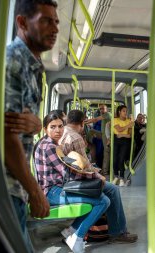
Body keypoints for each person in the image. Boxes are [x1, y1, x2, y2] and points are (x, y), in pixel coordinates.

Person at [35, 111, 137, 253]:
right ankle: (77, 235)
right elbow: (67, 172)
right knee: (103, 201)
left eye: (60, 126)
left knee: (106, 194)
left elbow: (66, 163)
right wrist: (93, 176)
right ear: (45, 129)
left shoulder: (47, 142)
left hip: (58, 186)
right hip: (53, 192)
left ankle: (72, 231)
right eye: (53, 127)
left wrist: (80, 166)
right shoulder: (50, 147)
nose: (58, 130)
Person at [3, 0, 59, 251]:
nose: (55, 28)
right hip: (6, 185)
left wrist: (36, 125)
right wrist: (35, 191)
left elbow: (24, 125)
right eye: (46, 20)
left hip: (16, 187)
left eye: (56, 21)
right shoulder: (13, 61)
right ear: (23, 22)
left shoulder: (33, 68)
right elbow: (6, 137)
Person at [106, 105, 134, 186]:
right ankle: (116, 176)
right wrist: (129, 125)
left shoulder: (129, 120)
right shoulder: (114, 120)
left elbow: (129, 135)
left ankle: (121, 178)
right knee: (114, 159)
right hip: (116, 140)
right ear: (119, 112)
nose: (125, 113)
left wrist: (122, 135)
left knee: (121, 159)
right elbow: (119, 129)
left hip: (125, 141)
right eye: (123, 111)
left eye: (126, 111)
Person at [85, 104, 112, 175]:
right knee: (91, 131)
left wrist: (85, 122)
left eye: (103, 108)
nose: (101, 110)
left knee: (106, 153)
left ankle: (105, 171)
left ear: (107, 109)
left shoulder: (108, 114)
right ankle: (86, 143)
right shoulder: (103, 117)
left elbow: (95, 119)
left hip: (107, 136)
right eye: (100, 109)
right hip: (102, 133)